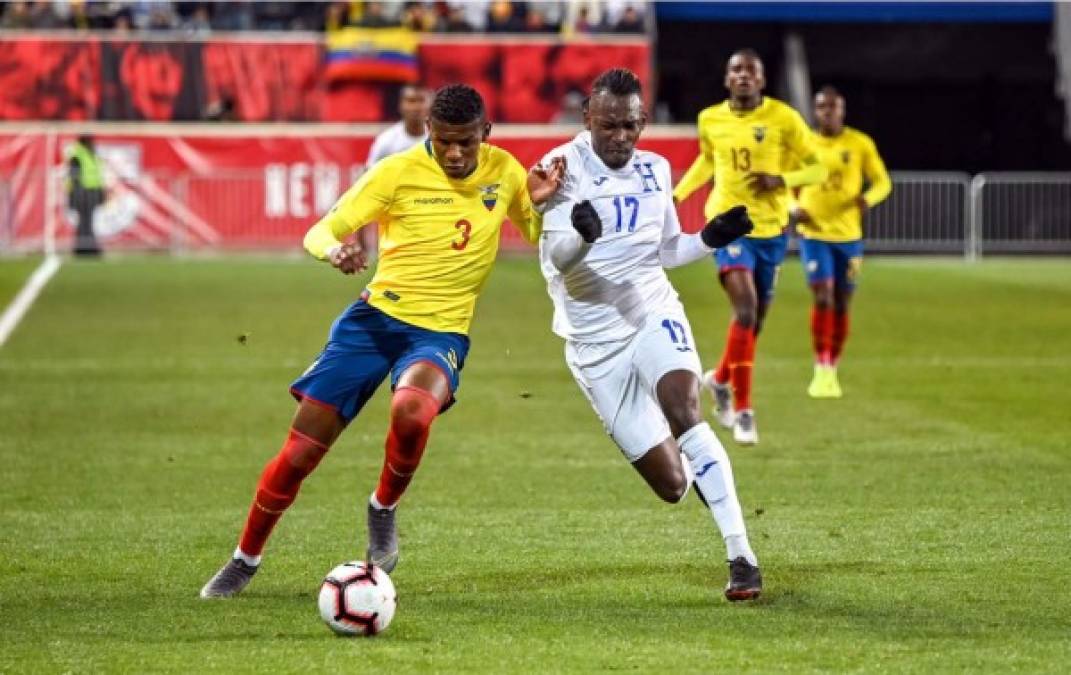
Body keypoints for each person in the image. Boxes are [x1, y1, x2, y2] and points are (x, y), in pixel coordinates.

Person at [200, 84, 564, 598]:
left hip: (440, 331)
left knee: (413, 411)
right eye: (443, 143)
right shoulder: (394, 172)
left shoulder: (505, 171)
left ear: (486, 133)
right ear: (428, 135)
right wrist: (335, 253)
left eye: (465, 142)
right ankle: (244, 559)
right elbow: (320, 230)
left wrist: (544, 207)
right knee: (301, 453)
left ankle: (383, 507)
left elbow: (534, 234)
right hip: (372, 324)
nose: (455, 154)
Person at [538, 68, 762, 600]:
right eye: (609, 125)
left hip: (651, 309)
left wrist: (709, 237)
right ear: (589, 118)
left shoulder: (656, 170)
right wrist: (582, 239)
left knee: (686, 409)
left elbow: (665, 251)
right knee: (673, 486)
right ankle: (699, 464)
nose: (620, 137)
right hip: (594, 344)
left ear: (643, 121)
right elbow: (558, 260)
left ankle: (742, 556)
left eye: (630, 126)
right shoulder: (559, 169)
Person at [673, 49, 827, 445]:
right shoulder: (711, 118)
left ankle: (720, 379)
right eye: (736, 70)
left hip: (772, 231)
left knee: (753, 323)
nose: (743, 75)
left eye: (751, 71)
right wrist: (677, 194)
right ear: (727, 79)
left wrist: (781, 179)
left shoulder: (784, 118)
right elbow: (708, 162)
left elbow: (818, 167)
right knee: (745, 309)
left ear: (761, 80)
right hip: (728, 225)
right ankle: (744, 411)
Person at [792, 86, 891, 398]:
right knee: (823, 296)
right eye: (822, 107)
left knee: (843, 302)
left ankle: (833, 365)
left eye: (833, 107)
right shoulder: (803, 144)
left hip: (849, 237)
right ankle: (821, 366)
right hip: (815, 235)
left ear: (842, 111)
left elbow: (883, 182)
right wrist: (793, 209)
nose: (828, 113)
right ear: (815, 110)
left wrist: (868, 198)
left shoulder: (860, 143)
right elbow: (782, 186)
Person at [358, 84, 431, 257]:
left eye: (420, 101)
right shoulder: (387, 141)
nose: (416, 107)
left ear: (429, 105)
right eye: (411, 101)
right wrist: (361, 238)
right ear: (401, 105)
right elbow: (365, 186)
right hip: (397, 216)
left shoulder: (439, 138)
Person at [67, 135, 105, 257]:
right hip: (82, 193)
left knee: (87, 221)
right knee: (85, 221)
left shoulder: (90, 155)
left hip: (92, 192)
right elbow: (74, 177)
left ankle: (87, 246)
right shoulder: (78, 157)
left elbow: (97, 176)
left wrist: (100, 192)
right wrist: (77, 194)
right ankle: (84, 247)